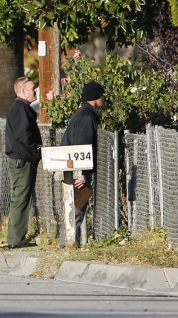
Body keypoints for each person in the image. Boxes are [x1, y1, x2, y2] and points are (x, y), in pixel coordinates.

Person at [59, 81, 105, 248]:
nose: (103, 98)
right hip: (78, 171)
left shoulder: (83, 113)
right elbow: (82, 148)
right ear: (95, 97)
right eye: (101, 95)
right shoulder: (87, 117)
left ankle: (69, 243)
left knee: (75, 206)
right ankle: (67, 245)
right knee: (77, 207)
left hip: (74, 169)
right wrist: (82, 173)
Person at [5, 77, 42, 249]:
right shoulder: (20, 108)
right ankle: (16, 239)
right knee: (20, 198)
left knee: (21, 198)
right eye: (33, 88)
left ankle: (16, 237)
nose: (36, 90)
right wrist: (36, 150)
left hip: (24, 159)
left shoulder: (22, 108)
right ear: (23, 90)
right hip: (22, 160)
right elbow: (24, 135)